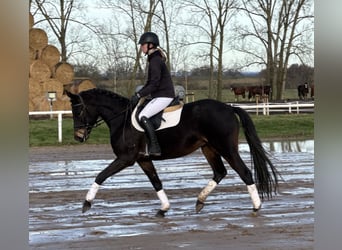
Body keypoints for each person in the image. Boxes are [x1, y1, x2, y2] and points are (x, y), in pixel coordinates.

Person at [131, 31, 176, 156]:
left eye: (143, 45)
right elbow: (149, 83)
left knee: (143, 116)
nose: (141, 47)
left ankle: (155, 147)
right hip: (160, 95)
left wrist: (139, 95)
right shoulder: (154, 59)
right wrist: (139, 93)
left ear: (150, 45)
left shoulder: (155, 60)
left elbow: (154, 84)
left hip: (164, 96)